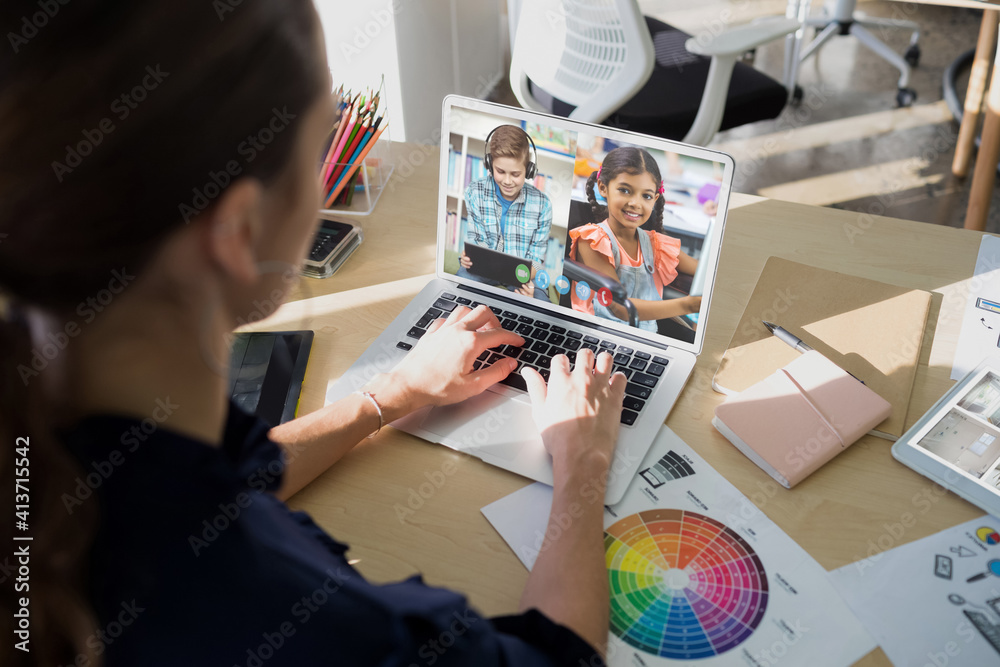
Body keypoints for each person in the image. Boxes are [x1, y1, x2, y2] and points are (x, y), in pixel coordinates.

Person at [0, 2, 626, 666]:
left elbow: (201, 488)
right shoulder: (322, 630)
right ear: (238, 231)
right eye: (322, 140)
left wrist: (389, 395)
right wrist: (580, 461)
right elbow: (559, 658)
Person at [569, 147, 702, 332]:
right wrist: (688, 305)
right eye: (625, 190)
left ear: (655, 199)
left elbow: (704, 271)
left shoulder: (656, 244)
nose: (635, 203)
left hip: (647, 340)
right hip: (598, 337)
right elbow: (620, 308)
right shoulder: (592, 240)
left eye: (646, 196)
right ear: (603, 188)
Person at [458, 125, 552, 301]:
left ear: (529, 171)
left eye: (516, 174)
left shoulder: (543, 205)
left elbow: (537, 260)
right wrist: (467, 258)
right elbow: (476, 240)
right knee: (461, 285)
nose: (507, 181)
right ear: (489, 164)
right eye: (500, 171)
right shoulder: (474, 192)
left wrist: (528, 283)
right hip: (483, 269)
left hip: (524, 275)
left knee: (540, 302)